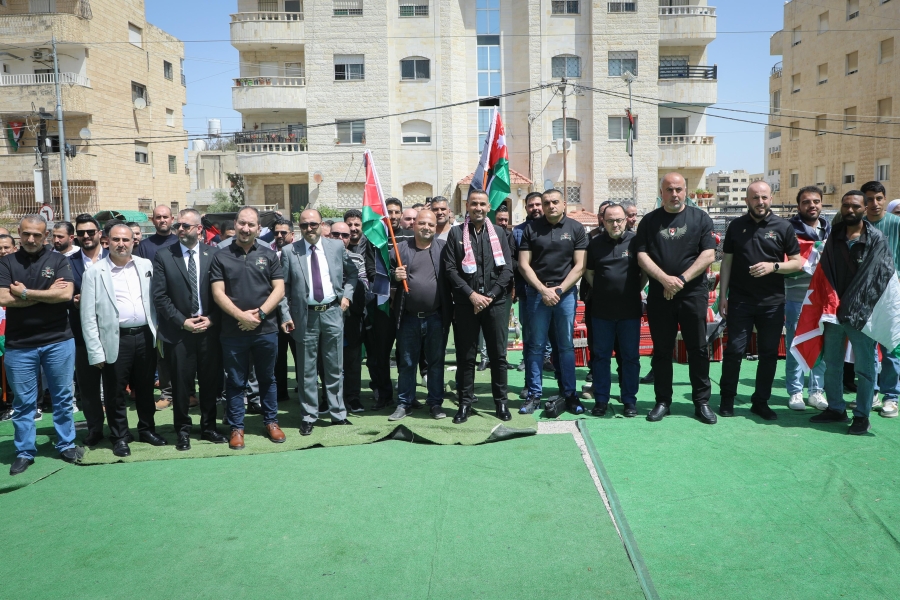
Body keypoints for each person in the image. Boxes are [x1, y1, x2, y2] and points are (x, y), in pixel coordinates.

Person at [635, 173, 718, 424]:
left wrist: (680, 280)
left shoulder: (700, 218)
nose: (674, 194)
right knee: (661, 351)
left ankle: (701, 402)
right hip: (661, 295)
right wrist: (665, 280)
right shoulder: (649, 221)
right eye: (669, 190)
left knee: (698, 349)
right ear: (661, 192)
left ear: (686, 191)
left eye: (679, 189)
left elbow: (708, 255)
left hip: (692, 294)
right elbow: (642, 256)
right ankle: (663, 401)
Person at [0, 215, 79, 476]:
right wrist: (47, 294)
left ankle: (66, 444)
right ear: (19, 233)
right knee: (23, 402)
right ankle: (25, 451)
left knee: (62, 397)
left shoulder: (58, 260)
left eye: (37, 234)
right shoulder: (6, 262)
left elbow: (65, 294)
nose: (31, 239)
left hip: (58, 340)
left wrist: (25, 293)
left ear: (45, 236)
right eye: (26, 234)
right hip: (19, 344)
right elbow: (3, 298)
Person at [718, 182, 802, 419]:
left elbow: (797, 262)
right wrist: (723, 296)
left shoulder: (783, 227)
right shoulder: (736, 226)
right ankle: (727, 399)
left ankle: (761, 401)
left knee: (769, 354)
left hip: (772, 303)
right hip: (740, 301)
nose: (760, 202)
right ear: (747, 200)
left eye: (764, 197)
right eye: (755, 198)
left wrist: (773, 266)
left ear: (771, 199)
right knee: (734, 351)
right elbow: (726, 263)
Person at [810, 191, 890, 434]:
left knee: (865, 368)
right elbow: (825, 271)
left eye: (855, 206)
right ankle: (836, 408)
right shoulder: (834, 236)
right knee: (832, 363)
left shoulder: (876, 239)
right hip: (834, 312)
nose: (850, 210)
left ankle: (862, 415)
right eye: (846, 206)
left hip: (862, 315)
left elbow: (877, 277)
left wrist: (854, 306)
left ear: (864, 209)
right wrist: (832, 302)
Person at [80, 224, 162, 457]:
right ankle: (120, 436)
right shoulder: (94, 272)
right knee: (115, 392)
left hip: (145, 335)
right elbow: (88, 316)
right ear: (107, 241)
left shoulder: (145, 266)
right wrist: (95, 350)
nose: (121, 244)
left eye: (126, 239)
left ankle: (147, 429)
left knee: (145, 388)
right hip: (115, 339)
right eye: (116, 239)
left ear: (134, 241)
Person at [210, 207, 286, 450]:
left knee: (267, 378)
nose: (246, 228)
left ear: (258, 229)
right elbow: (217, 292)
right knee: (235, 381)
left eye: (251, 225)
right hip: (233, 331)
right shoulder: (220, 256)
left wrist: (260, 314)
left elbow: (279, 289)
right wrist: (240, 316)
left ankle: (271, 421)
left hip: (266, 329)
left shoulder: (269, 255)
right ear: (235, 224)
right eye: (242, 223)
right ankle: (237, 427)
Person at [152, 209, 227, 451]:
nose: (180, 230)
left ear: (199, 229)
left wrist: (212, 319)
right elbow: (160, 296)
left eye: (186, 226)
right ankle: (182, 431)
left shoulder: (214, 255)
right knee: (181, 386)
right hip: (179, 332)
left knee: (209, 383)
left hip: (208, 331)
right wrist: (182, 321)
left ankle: (209, 427)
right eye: (178, 226)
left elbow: (223, 295)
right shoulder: (164, 256)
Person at [279, 209, 357, 435]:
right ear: (299, 227)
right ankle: (308, 416)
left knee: (334, 367)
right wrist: (285, 314)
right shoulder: (289, 251)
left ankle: (338, 413)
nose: (309, 229)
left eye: (313, 224)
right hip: (305, 317)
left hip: (332, 312)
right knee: (306, 371)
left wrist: (347, 296)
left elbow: (352, 274)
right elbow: (282, 288)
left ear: (322, 225)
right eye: (304, 225)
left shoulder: (336, 247)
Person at [444, 192, 514, 422]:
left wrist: (490, 296)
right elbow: (450, 269)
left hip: (496, 303)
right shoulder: (456, 233)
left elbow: (507, 269)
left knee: (498, 356)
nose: (478, 207)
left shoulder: (500, 233)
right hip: (467, 304)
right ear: (467, 206)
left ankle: (501, 403)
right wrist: (472, 295)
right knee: (466, 356)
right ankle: (464, 404)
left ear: (489, 207)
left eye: (482, 204)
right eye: (474, 203)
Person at [517, 189, 588, 415]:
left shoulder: (576, 228)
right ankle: (534, 395)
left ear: (564, 203)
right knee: (536, 346)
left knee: (565, 346)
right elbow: (523, 265)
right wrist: (542, 290)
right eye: (546, 203)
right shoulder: (531, 229)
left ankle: (570, 394)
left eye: (555, 202)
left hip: (565, 294)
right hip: (537, 294)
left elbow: (580, 266)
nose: (550, 206)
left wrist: (558, 290)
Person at [388, 210, 452, 421]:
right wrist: (394, 276)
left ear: (436, 227)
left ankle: (435, 403)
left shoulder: (444, 249)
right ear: (414, 225)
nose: (426, 227)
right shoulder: (400, 249)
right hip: (408, 317)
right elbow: (383, 277)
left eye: (431, 225)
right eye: (422, 223)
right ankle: (404, 403)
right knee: (407, 363)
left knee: (436, 363)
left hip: (436, 317)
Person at [584, 203, 646, 417]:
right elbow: (589, 273)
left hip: (629, 311)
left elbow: (644, 273)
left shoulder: (636, 241)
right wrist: (603, 290)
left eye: (619, 220)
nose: (615, 224)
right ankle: (601, 399)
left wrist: (632, 291)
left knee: (630, 358)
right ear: (603, 221)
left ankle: (629, 400)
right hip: (601, 312)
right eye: (610, 220)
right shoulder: (595, 244)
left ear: (626, 220)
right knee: (601, 357)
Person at [784, 186, 830, 411]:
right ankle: (795, 392)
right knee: (795, 344)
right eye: (806, 202)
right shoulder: (788, 230)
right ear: (798, 206)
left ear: (821, 203)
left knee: (822, 344)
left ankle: (816, 391)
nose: (812, 205)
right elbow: (784, 261)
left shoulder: (830, 230)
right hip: (796, 296)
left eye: (816, 201)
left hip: (824, 299)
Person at [364, 197, 411, 409]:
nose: (392, 216)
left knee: (406, 353)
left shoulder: (410, 236)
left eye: (396, 212)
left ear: (401, 214)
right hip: (383, 305)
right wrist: (393, 276)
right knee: (381, 353)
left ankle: (407, 395)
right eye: (388, 212)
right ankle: (384, 395)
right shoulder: (374, 239)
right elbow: (371, 273)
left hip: (407, 304)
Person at [862, 181, 900, 418]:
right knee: (866, 348)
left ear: (885, 199)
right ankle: (870, 393)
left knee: (891, 347)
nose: (874, 203)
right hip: (864, 296)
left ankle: (891, 397)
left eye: (878, 198)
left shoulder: (896, 223)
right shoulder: (858, 225)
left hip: (892, 296)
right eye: (869, 199)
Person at [135, 205, 178, 410]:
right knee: (162, 353)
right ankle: (167, 393)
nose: (162, 220)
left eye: (165, 217)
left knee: (184, 351)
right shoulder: (144, 246)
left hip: (180, 305)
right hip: (155, 307)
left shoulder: (180, 241)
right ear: (152, 220)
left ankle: (187, 392)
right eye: (158, 217)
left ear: (172, 219)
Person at [512, 192, 552, 386]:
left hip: (553, 291)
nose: (535, 208)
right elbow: (514, 262)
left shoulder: (554, 228)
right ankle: (530, 375)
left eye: (538, 204)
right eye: (531, 205)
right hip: (527, 291)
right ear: (526, 208)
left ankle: (547, 358)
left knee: (552, 331)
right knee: (529, 332)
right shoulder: (518, 232)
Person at [332, 220, 368, 413]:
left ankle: (353, 398)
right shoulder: (319, 257)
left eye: (345, 235)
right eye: (336, 234)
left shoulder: (357, 258)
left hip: (352, 317)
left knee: (353, 360)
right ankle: (329, 398)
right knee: (328, 361)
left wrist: (348, 297)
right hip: (327, 316)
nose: (340, 238)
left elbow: (364, 286)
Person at [270, 218, 297, 404]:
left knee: (299, 353)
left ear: (292, 234)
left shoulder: (299, 251)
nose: (279, 235)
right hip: (273, 313)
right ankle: (280, 393)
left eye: (283, 232)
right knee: (277, 356)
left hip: (295, 311)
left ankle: (304, 389)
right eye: (276, 232)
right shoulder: (267, 252)